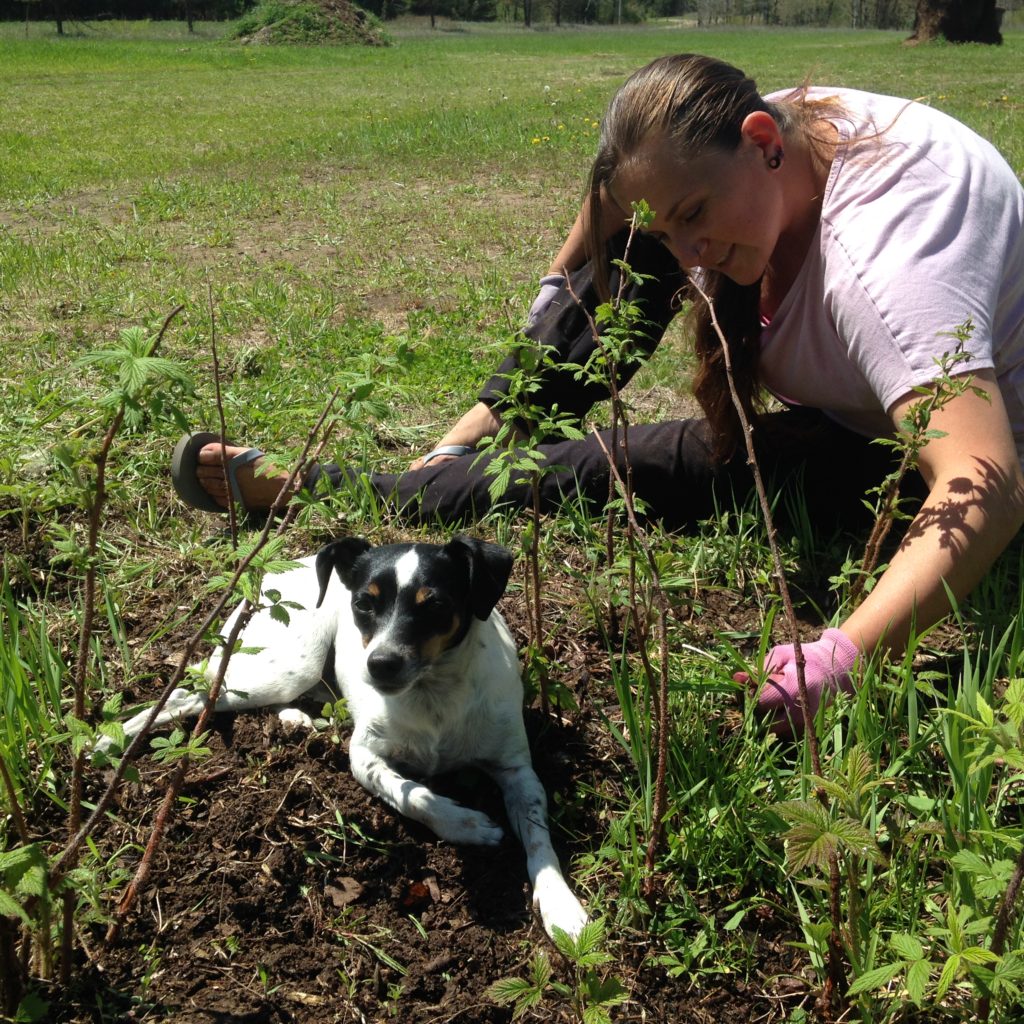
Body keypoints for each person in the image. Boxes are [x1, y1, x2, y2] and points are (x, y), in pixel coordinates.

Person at [173, 53, 1024, 735]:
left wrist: (844, 655)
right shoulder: (763, 140)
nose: (687, 252)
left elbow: (985, 480)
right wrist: (556, 285)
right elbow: (618, 189)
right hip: (853, 395)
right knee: (644, 254)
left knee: (623, 464)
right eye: (668, 228)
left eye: (694, 215)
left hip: (903, 451)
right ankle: (470, 437)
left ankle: (343, 484)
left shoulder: (889, 270)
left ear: (764, 140)